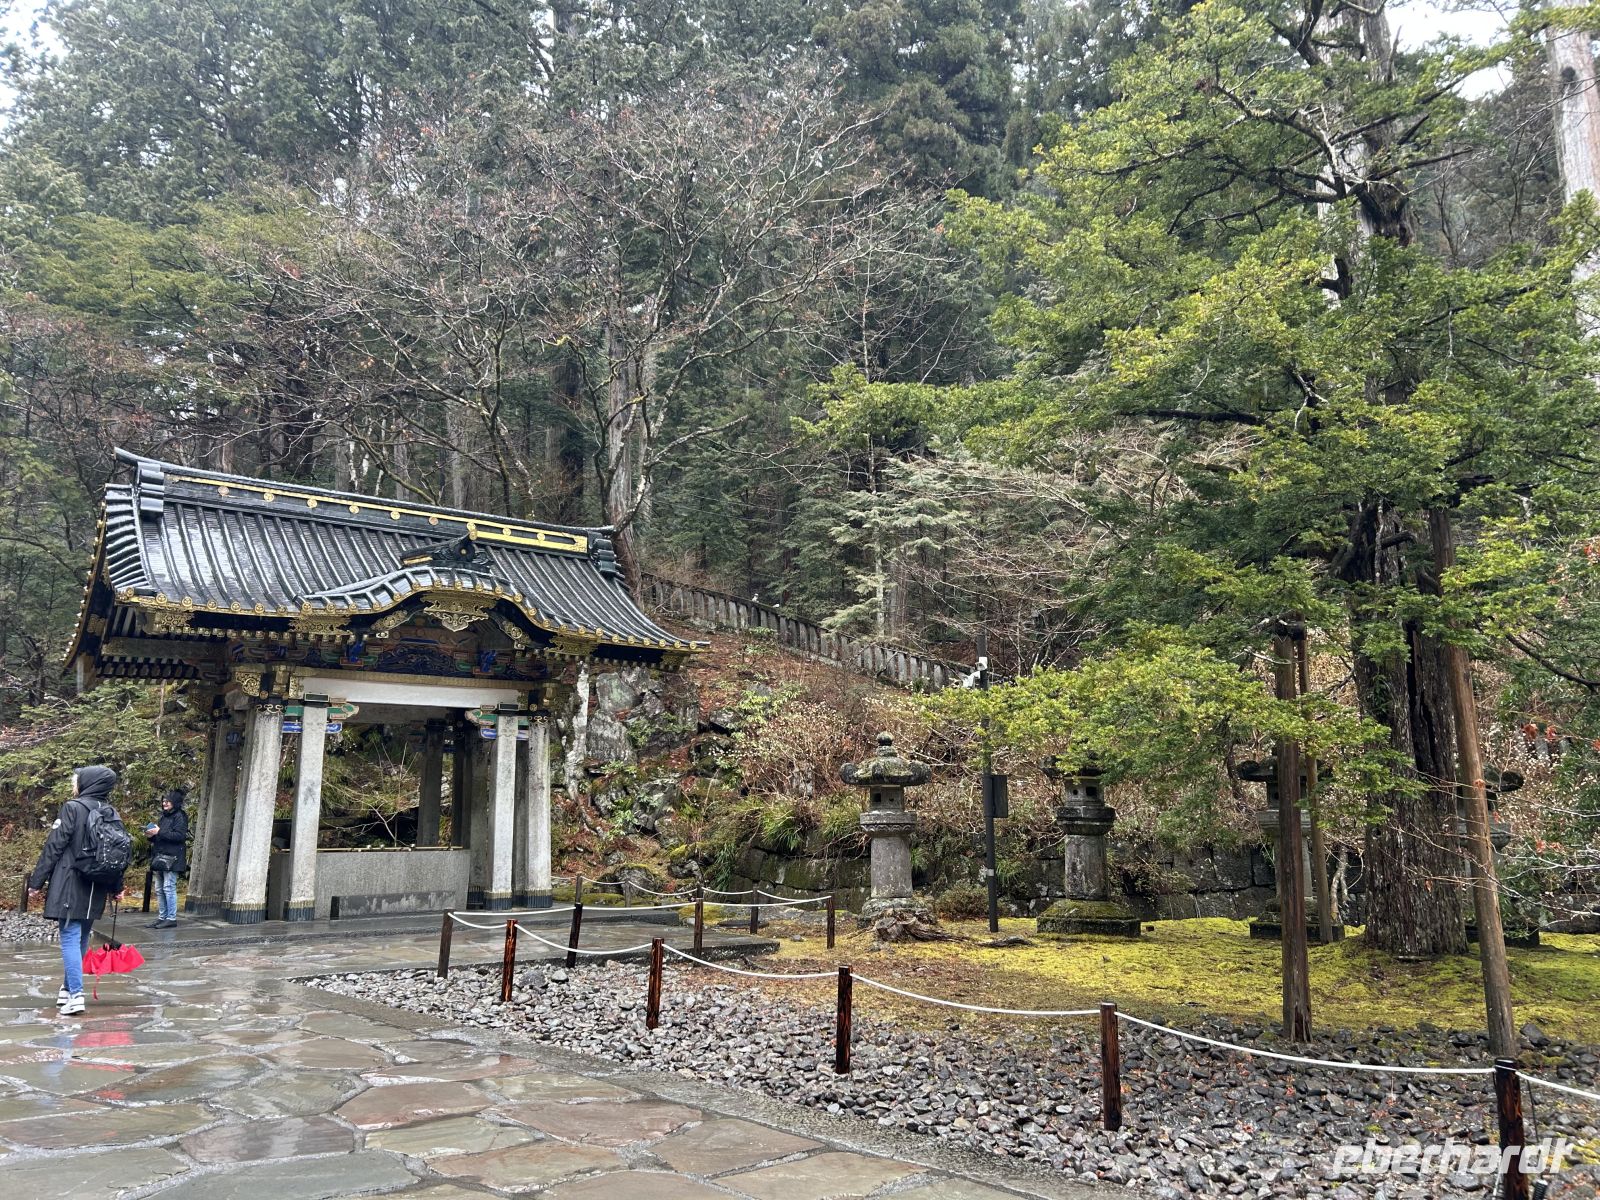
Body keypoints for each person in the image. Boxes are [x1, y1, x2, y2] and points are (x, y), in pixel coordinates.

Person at [28, 765, 127, 1017]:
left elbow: (54, 846)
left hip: (70, 882)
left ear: (88, 783)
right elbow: (117, 854)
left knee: (70, 937)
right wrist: (117, 887)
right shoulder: (111, 811)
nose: (75, 784)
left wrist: (36, 882)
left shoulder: (73, 808)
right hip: (97, 885)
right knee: (82, 937)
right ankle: (67, 988)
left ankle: (75, 996)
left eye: (77, 780)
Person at [144, 788, 189, 930]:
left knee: (169, 887)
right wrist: (151, 835)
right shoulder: (164, 816)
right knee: (159, 888)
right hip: (160, 856)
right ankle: (162, 917)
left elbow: (180, 836)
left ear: (175, 802)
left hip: (173, 857)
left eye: (168, 801)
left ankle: (171, 918)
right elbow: (162, 836)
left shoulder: (180, 816)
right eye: (163, 801)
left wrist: (159, 831)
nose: (164, 803)